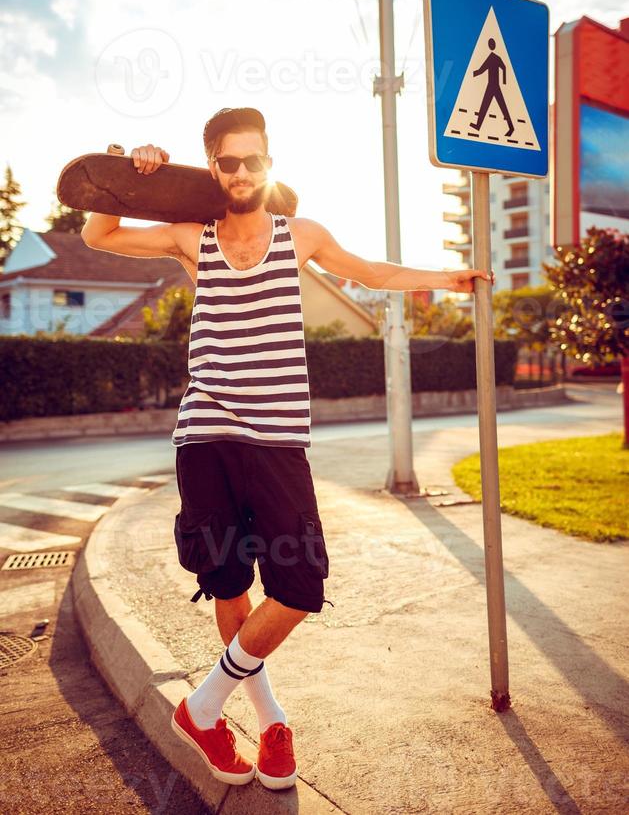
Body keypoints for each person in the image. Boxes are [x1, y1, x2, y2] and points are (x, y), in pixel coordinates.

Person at [81, 107, 494, 792]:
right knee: (228, 584)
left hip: (277, 438)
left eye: (253, 160)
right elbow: (101, 233)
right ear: (212, 166)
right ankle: (265, 722)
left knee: (299, 588)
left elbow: (369, 270)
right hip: (206, 434)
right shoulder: (190, 236)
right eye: (227, 161)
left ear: (268, 163)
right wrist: (128, 172)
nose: (241, 172)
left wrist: (444, 278)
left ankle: (203, 706)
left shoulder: (299, 235)